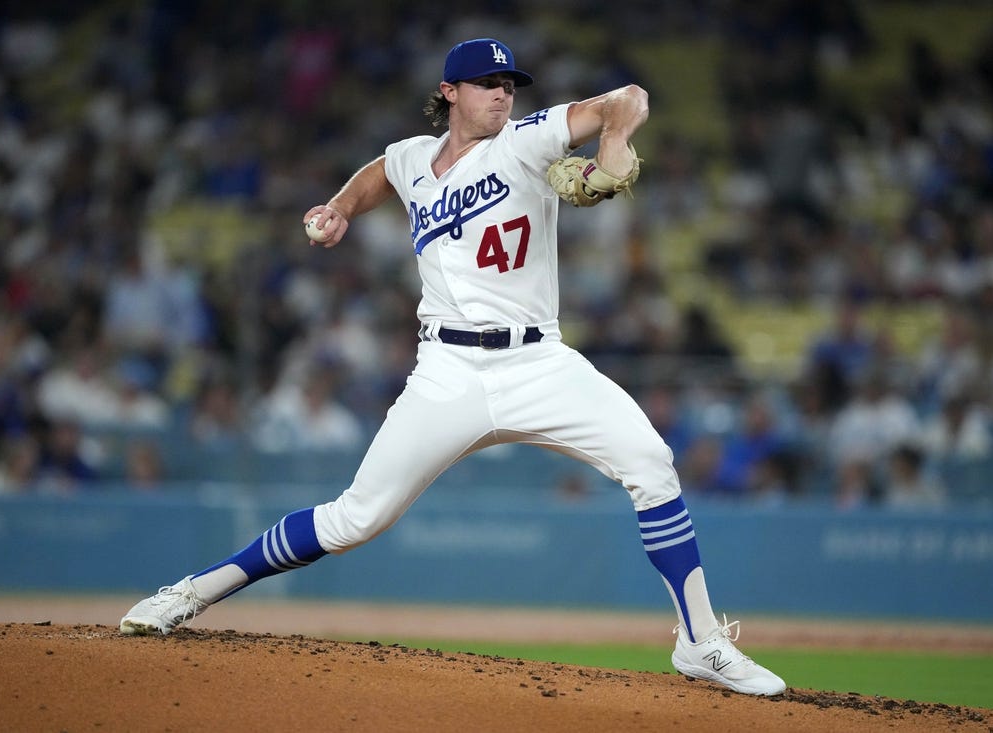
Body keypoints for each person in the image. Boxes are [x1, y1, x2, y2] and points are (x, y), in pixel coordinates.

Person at [119, 38, 785, 697]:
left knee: (651, 462)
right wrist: (340, 208)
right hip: (447, 370)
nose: (503, 93)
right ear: (450, 93)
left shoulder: (525, 140)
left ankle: (699, 641)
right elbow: (382, 170)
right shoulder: (414, 158)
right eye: (488, 83)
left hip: (539, 361)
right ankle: (191, 592)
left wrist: (611, 148)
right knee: (355, 519)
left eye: (509, 83)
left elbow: (627, 99)